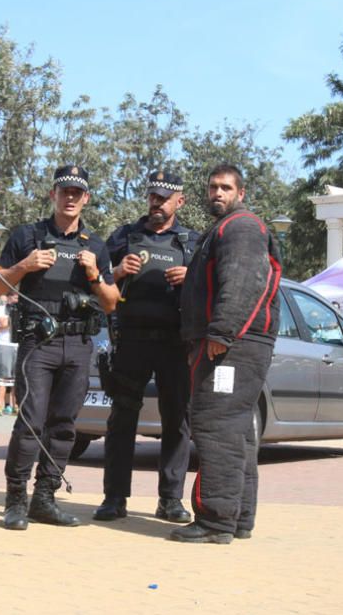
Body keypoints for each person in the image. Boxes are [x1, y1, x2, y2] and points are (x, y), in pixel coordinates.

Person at [0, 164, 119, 531]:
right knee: (31, 421)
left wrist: (94, 274)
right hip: (38, 341)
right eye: (64, 191)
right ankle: (15, 500)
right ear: (53, 195)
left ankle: (44, 498)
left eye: (77, 193)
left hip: (78, 343)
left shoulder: (94, 246)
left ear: (86, 199)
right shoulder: (28, 236)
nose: (70, 198)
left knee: (64, 426)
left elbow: (111, 302)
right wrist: (24, 266)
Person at [173, 163, 282, 544]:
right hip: (238, 343)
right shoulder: (227, 229)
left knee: (215, 427)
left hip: (233, 345)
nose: (217, 193)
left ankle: (215, 521)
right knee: (235, 432)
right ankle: (238, 518)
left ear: (241, 193)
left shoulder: (241, 227)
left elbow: (243, 281)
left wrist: (221, 333)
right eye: (212, 188)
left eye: (225, 188)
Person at [94, 170, 199, 524]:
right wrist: (119, 271)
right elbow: (94, 279)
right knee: (122, 419)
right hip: (131, 340)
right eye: (153, 196)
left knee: (176, 422)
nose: (157, 203)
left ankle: (170, 499)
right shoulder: (124, 236)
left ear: (179, 201)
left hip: (175, 343)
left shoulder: (191, 242)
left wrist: (192, 277)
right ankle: (114, 498)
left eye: (164, 198)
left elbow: (211, 290)